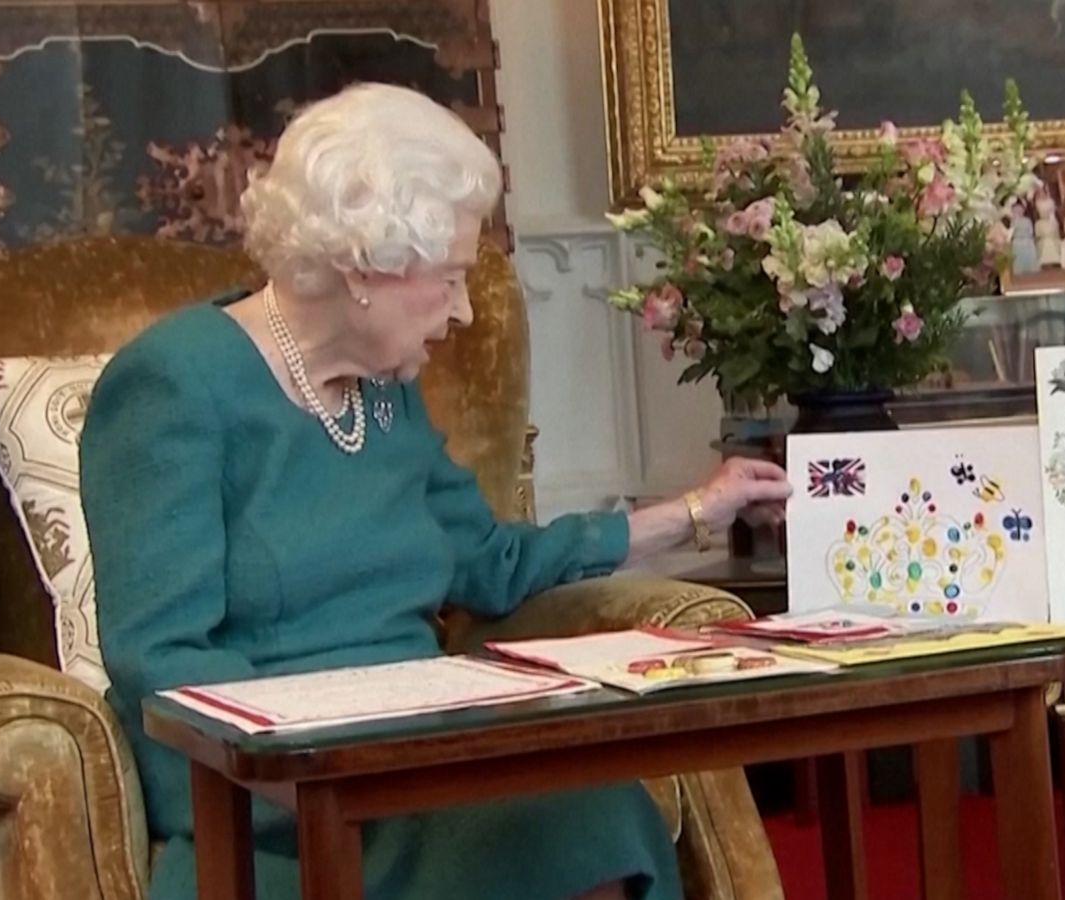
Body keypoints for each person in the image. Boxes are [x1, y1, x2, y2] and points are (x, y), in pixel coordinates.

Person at [78, 82, 792, 900]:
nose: (460, 312)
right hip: (273, 803)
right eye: (448, 278)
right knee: (556, 830)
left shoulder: (384, 389)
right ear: (362, 266)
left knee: (596, 809)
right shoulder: (174, 383)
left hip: (412, 757)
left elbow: (488, 561)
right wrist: (330, 764)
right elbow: (162, 658)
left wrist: (699, 510)